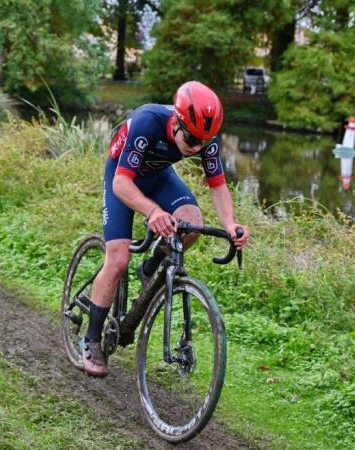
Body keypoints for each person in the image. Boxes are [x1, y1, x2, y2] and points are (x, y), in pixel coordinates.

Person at [82, 80, 250, 377]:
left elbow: (218, 183)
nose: (197, 148)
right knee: (118, 258)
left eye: (203, 142)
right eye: (192, 141)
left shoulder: (204, 137)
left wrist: (230, 224)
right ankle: (92, 340)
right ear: (176, 123)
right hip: (123, 178)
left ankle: (150, 269)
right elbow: (121, 183)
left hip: (158, 176)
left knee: (192, 224)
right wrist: (153, 211)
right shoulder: (149, 121)